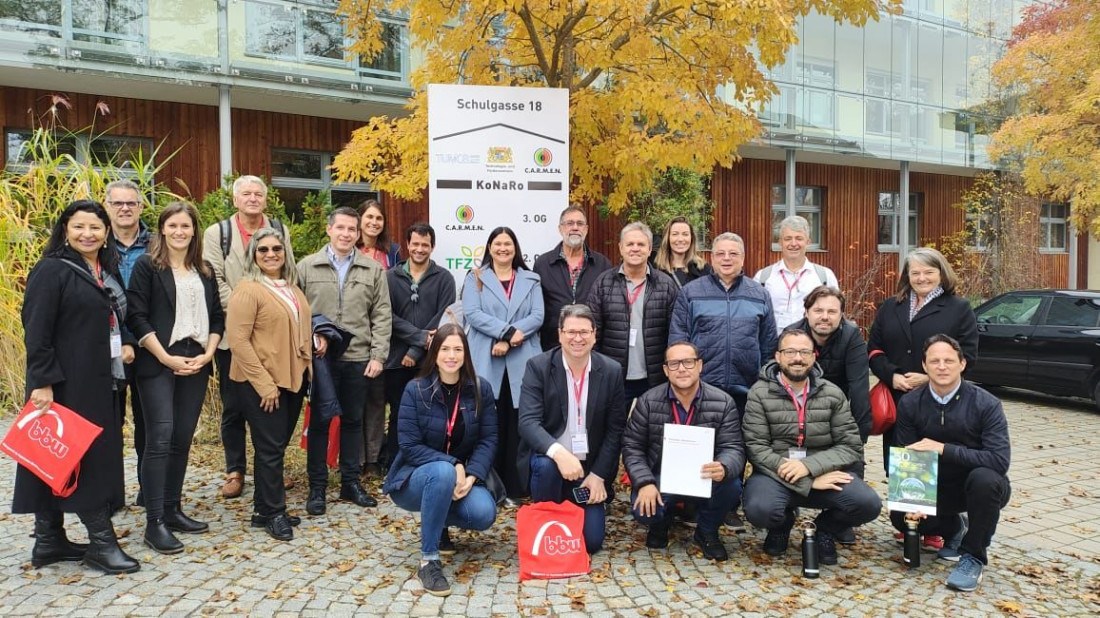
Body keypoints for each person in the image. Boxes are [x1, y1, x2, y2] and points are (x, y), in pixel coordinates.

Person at [17, 200, 138, 574]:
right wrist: (42, 382)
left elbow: (115, 316)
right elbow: (36, 330)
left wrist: (127, 341)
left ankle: (49, 540)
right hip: (65, 383)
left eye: (95, 227)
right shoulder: (52, 270)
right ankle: (102, 543)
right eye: (79, 226)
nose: (88, 234)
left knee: (58, 456)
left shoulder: (105, 269)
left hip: (101, 379)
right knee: (85, 457)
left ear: (106, 232)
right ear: (65, 230)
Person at [126, 202, 224, 554]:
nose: (180, 232)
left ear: (194, 230)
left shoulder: (205, 270)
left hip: (196, 359)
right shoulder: (147, 266)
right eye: (173, 226)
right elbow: (136, 316)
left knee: (181, 439)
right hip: (158, 359)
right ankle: (154, 523)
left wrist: (209, 353)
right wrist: (165, 357)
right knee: (160, 438)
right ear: (162, 230)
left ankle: (172, 509)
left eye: (186, 226)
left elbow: (217, 316)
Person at [742, 329, 881, 568]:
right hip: (777, 473)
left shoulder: (832, 393)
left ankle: (824, 530)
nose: (797, 358)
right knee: (759, 509)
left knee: (868, 504)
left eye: (804, 352)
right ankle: (781, 525)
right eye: (790, 352)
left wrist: (809, 468)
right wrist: (807, 481)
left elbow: (850, 445)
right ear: (778, 356)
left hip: (823, 471)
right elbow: (756, 448)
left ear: (814, 356)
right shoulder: (759, 393)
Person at [669, 231, 776, 530]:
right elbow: (678, 338)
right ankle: (693, 503)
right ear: (711, 258)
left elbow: (769, 344)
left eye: (733, 253)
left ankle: (729, 505)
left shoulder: (758, 294)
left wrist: (762, 382)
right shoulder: (692, 292)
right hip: (701, 388)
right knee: (699, 445)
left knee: (735, 446)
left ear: (743, 258)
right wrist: (684, 380)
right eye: (720, 253)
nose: (727, 259)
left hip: (744, 388)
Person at [383, 324, 498, 597]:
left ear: (466, 354)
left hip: (461, 478)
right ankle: (429, 561)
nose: (451, 356)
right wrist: (455, 464)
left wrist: (472, 475)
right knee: (443, 472)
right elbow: (409, 445)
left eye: (458, 349)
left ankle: (439, 523)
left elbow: (489, 439)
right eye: (445, 349)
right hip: (415, 479)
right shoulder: (415, 390)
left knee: (484, 513)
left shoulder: (480, 389)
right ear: (434, 353)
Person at [889, 334, 1011, 592]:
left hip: (975, 486)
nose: (942, 367)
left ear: (962, 364)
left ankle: (973, 556)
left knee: (986, 479)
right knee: (901, 517)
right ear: (924, 366)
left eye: (949, 361)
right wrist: (913, 501)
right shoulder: (910, 402)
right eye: (935, 361)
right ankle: (954, 528)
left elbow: (999, 460)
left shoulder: (986, 404)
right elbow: (908, 456)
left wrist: (943, 449)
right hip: (935, 486)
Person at [203, 175, 296, 499]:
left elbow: (287, 271)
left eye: (258, 193)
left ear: (266, 200)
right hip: (236, 334)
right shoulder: (218, 233)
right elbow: (213, 278)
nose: (253, 198)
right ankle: (235, 469)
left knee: (274, 405)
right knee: (235, 406)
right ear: (235, 199)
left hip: (273, 338)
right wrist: (247, 307)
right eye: (246, 193)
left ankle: (270, 467)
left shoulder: (279, 230)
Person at [296, 207, 391, 515]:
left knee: (353, 421)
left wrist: (378, 355)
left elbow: (382, 314)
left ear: (358, 233)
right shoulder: (307, 266)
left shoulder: (372, 269)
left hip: (358, 357)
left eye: (352, 229)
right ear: (329, 229)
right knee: (320, 422)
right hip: (321, 359)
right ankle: (317, 488)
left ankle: (350, 483)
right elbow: (296, 310)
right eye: (341, 228)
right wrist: (310, 340)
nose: (346, 234)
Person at [518, 304, 626, 555]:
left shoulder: (611, 371)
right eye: (571, 332)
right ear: (560, 334)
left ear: (594, 335)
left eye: (584, 332)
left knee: (591, 542)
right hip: (551, 465)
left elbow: (615, 430)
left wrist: (598, 475)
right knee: (546, 466)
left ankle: (574, 505)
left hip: (587, 472)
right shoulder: (538, 367)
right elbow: (528, 422)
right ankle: (545, 518)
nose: (578, 338)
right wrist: (559, 453)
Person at [868, 247, 978, 493]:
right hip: (897, 398)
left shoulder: (959, 308)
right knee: (899, 463)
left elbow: (968, 356)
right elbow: (874, 349)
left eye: (928, 272)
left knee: (931, 464)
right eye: (915, 273)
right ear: (907, 275)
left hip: (938, 400)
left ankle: (939, 515)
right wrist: (892, 375)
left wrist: (929, 377)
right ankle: (906, 512)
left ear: (941, 273)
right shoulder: (890, 306)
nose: (921, 278)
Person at [622, 341, 744, 561]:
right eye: (674, 363)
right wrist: (644, 482)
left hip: (704, 476)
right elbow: (633, 447)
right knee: (643, 511)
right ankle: (660, 523)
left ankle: (706, 531)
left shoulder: (723, 402)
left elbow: (733, 446)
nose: (681, 369)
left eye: (688, 362)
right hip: (661, 476)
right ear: (665, 370)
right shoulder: (648, 401)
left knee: (731, 486)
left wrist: (724, 466)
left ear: (700, 365)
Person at [226, 229, 311, 541]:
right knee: (271, 449)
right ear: (253, 255)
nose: (271, 254)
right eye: (263, 250)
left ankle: (262, 510)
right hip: (261, 382)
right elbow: (238, 340)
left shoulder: (291, 287)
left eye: (277, 248)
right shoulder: (248, 290)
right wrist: (264, 384)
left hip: (291, 380)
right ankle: (275, 513)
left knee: (273, 448)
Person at [463, 227, 544, 505]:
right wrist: (507, 332)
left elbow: (538, 316)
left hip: (522, 361)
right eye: (497, 244)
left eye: (508, 244)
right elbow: (473, 314)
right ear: (489, 247)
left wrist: (508, 341)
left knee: (518, 425)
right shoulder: (475, 277)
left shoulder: (531, 279)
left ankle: (517, 487)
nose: (503, 248)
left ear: (515, 248)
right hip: (488, 359)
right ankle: (488, 485)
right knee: (489, 425)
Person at [384, 222, 457, 467]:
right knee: (399, 414)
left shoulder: (444, 278)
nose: (419, 249)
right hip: (396, 360)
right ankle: (395, 465)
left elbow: (442, 317)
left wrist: (415, 351)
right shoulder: (390, 277)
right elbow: (388, 316)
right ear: (407, 244)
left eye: (425, 245)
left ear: (432, 247)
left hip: (430, 360)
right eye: (415, 243)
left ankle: (428, 463)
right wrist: (418, 339)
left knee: (431, 414)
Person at [586, 222, 678, 409]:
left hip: (655, 377)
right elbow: (593, 331)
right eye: (630, 244)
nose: (635, 248)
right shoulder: (603, 283)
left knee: (652, 425)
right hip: (614, 376)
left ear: (650, 249)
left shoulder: (666, 285)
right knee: (615, 424)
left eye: (641, 244)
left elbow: (675, 333)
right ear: (621, 248)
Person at [104, 179, 150, 502]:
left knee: (149, 423)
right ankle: (111, 493)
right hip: (109, 346)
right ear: (107, 207)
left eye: (130, 203)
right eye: (117, 203)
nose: (124, 208)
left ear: (140, 207)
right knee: (110, 421)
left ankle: (150, 489)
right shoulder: (97, 243)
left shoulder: (157, 243)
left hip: (151, 344)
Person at [790, 286, 871, 442]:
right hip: (796, 413)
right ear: (806, 313)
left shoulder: (851, 336)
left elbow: (859, 389)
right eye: (818, 311)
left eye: (832, 312)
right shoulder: (792, 336)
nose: (825, 317)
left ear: (841, 315)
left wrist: (858, 438)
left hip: (836, 410)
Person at [356, 198, 399, 477]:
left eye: (378, 218)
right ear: (360, 219)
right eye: (369, 217)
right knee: (353, 401)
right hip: (353, 335)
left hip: (384, 335)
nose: (373, 222)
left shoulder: (392, 253)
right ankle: (354, 457)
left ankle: (372, 458)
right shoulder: (348, 248)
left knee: (375, 399)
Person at [533, 205, 612, 351]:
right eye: (570, 223)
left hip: (591, 348)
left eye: (580, 224)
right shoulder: (542, 264)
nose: (575, 227)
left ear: (586, 229)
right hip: (552, 347)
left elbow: (609, 308)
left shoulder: (602, 264)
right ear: (560, 229)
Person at [753, 215, 839, 332]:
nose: (793, 243)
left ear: (808, 242)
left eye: (799, 238)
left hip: (812, 342)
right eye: (788, 238)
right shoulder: (763, 277)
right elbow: (754, 316)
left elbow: (835, 312)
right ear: (780, 242)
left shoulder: (825, 276)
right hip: (774, 342)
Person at [653, 216, 712, 288]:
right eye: (675, 234)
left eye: (685, 234)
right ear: (667, 238)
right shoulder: (654, 270)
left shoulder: (704, 269)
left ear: (692, 238)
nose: (680, 239)